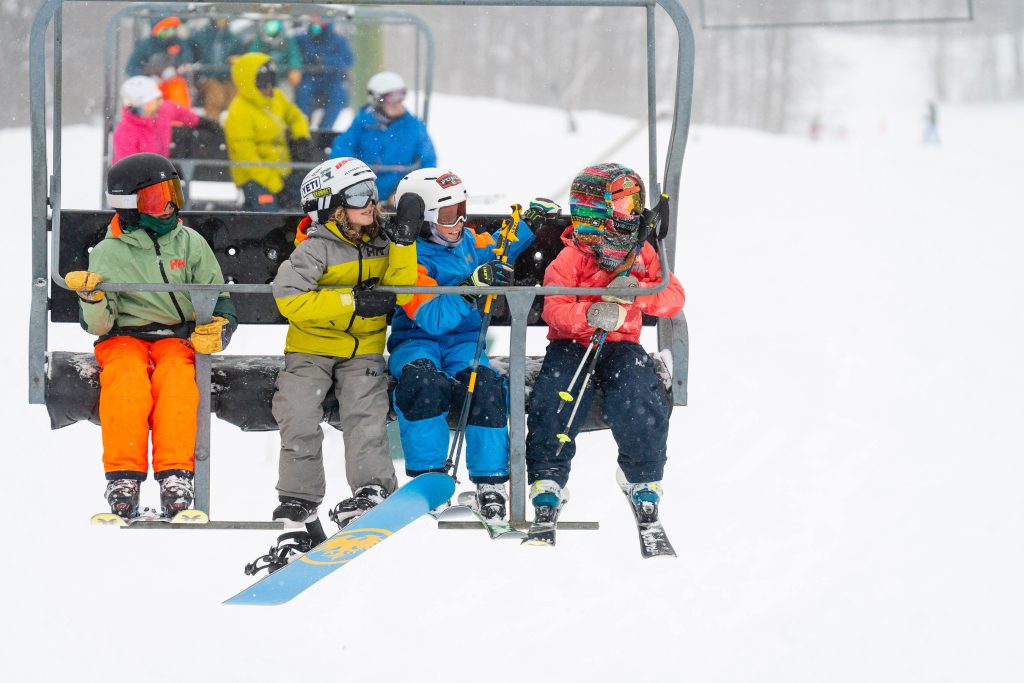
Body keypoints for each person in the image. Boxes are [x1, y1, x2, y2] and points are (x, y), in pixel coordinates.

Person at [64, 153, 238, 519]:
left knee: (176, 382)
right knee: (126, 381)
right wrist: (92, 298)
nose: (170, 206)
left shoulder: (189, 242)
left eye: (173, 193)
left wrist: (219, 326)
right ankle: (123, 477)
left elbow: (217, 294)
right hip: (123, 338)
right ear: (131, 206)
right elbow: (99, 325)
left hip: (176, 339)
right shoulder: (109, 252)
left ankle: (176, 473)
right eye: (158, 199)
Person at [524, 163, 684, 527]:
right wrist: (590, 314)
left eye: (635, 203)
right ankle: (548, 475)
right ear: (597, 210)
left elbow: (673, 295)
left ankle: (643, 477)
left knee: (638, 391)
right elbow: (555, 310)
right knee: (558, 394)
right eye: (624, 204)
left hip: (621, 346)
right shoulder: (571, 257)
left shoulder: (640, 252)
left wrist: (639, 296)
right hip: (572, 345)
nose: (632, 212)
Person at [270, 157, 421, 528]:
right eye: (358, 195)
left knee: (365, 414)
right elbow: (290, 299)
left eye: (372, 192)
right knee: (298, 412)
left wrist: (403, 243)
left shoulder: (383, 244)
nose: (371, 202)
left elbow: (402, 292)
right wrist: (349, 301)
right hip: (311, 350)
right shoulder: (315, 248)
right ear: (331, 206)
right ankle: (299, 496)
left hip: (363, 352)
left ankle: (372, 489)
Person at [386, 168, 543, 520]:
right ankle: (429, 476)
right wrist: (471, 287)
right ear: (424, 218)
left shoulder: (469, 243)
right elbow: (433, 318)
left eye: (461, 208)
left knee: (485, 384)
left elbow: (502, 245)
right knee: (422, 383)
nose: (458, 221)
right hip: (417, 343)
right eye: (447, 214)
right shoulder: (408, 259)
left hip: (464, 346)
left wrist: (528, 224)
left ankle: (490, 482)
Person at [224, 52, 314, 211]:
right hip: (254, 178)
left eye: (271, 82)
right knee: (270, 216)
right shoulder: (239, 112)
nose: (269, 89)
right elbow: (247, 157)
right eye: (263, 84)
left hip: (283, 171)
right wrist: (276, 185)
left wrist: (301, 138)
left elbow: (297, 117)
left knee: (310, 206)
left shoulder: (276, 98)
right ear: (250, 84)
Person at [330, 72, 436, 204]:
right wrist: (355, 181)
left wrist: (405, 192)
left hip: (398, 196)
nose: (398, 103)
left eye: (401, 95)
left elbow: (428, 160)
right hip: (363, 194)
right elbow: (342, 149)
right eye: (391, 98)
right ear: (376, 100)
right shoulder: (362, 123)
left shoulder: (413, 126)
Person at [112, 75, 200, 164]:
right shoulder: (125, 133)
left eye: (158, 99)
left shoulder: (163, 110)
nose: (159, 104)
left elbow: (185, 115)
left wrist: (202, 122)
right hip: (141, 174)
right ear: (137, 106)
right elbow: (130, 169)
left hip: (163, 168)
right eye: (151, 102)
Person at [294, 18, 355, 130]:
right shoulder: (303, 39)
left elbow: (348, 60)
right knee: (303, 93)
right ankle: (303, 125)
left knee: (339, 95)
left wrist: (325, 61)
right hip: (309, 79)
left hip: (331, 80)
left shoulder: (337, 40)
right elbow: (293, 53)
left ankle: (325, 129)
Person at [125, 16, 194, 109]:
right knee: (150, 100)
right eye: (165, 31)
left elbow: (187, 59)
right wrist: (147, 78)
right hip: (151, 85)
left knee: (178, 93)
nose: (170, 34)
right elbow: (131, 68)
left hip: (173, 82)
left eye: (173, 30)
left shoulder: (179, 43)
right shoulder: (145, 46)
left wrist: (175, 70)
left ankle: (177, 122)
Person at [188, 18, 247, 121]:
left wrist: (236, 60)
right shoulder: (202, 36)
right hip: (206, 77)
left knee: (235, 97)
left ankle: (232, 125)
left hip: (227, 77)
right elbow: (191, 54)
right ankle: (213, 125)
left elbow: (241, 58)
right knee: (216, 95)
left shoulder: (233, 38)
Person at [246, 19, 303, 91]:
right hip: (264, 77)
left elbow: (294, 55)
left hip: (284, 76)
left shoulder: (287, 40)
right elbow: (252, 56)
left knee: (285, 96)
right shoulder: (259, 41)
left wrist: (295, 68)